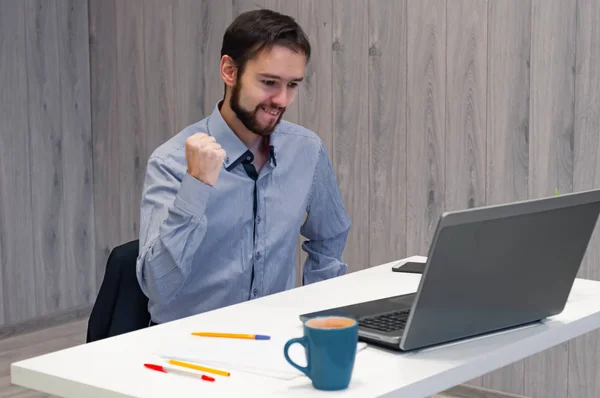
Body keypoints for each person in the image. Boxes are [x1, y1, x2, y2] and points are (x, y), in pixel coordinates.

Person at [136, 9, 351, 324]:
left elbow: (330, 237)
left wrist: (317, 316)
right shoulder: (171, 161)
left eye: (292, 85)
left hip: (275, 340)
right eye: (268, 82)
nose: (281, 99)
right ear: (229, 71)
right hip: (189, 351)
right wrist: (195, 186)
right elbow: (158, 286)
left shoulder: (306, 151)